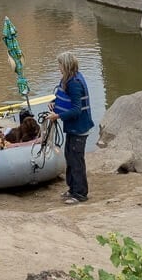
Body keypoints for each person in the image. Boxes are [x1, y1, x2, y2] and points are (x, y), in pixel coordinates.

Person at [49, 51, 94, 204]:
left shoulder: (74, 83)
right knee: (70, 157)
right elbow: (66, 100)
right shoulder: (69, 79)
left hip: (79, 128)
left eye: (60, 65)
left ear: (66, 65)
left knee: (76, 161)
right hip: (73, 128)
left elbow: (76, 109)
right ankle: (72, 189)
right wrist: (55, 105)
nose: (58, 68)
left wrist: (58, 116)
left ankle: (80, 194)